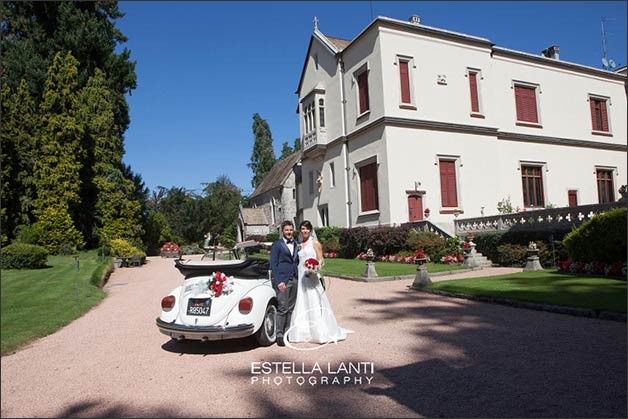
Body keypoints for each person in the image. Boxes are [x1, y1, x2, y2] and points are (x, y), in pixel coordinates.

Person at [286, 220, 353, 344]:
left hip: (311, 277)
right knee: (301, 301)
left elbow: (321, 259)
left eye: (306, 229)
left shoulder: (315, 243)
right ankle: (302, 332)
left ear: (310, 230)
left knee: (314, 300)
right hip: (300, 275)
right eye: (302, 229)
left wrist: (315, 269)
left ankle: (319, 331)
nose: (304, 231)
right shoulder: (299, 244)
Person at [269, 220, 300, 347]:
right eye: (287, 230)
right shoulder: (277, 245)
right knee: (282, 308)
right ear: (283, 231)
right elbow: (273, 264)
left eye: (291, 230)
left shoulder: (296, 243)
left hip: (294, 279)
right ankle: (279, 334)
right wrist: (279, 281)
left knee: (291, 308)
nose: (289, 232)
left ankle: (287, 332)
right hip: (282, 280)